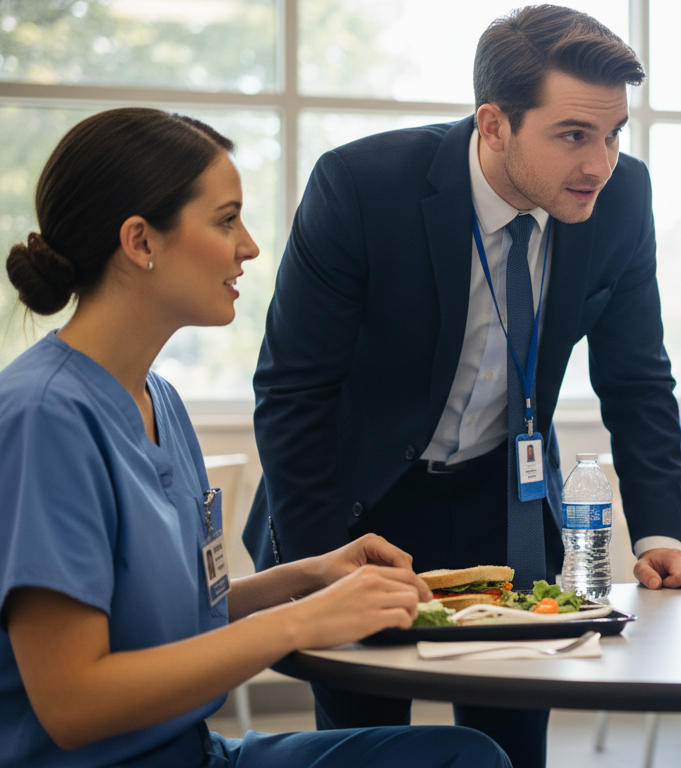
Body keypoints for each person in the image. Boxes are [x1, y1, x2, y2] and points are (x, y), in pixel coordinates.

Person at [241, 7, 681, 766]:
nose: (600, 163)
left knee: (508, 744)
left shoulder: (619, 200)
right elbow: (293, 391)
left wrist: (656, 537)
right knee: (367, 746)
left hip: (504, 503)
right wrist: (325, 565)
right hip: (362, 510)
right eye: (573, 135)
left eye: (615, 133)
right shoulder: (362, 186)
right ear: (494, 124)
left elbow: (639, 379)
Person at [0, 108, 508, 768]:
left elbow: (182, 613)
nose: (249, 246)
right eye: (225, 219)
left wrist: (310, 576)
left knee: (466, 755)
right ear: (140, 241)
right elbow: (73, 704)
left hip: (193, 750)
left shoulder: (158, 400)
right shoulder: (44, 417)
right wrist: (300, 620)